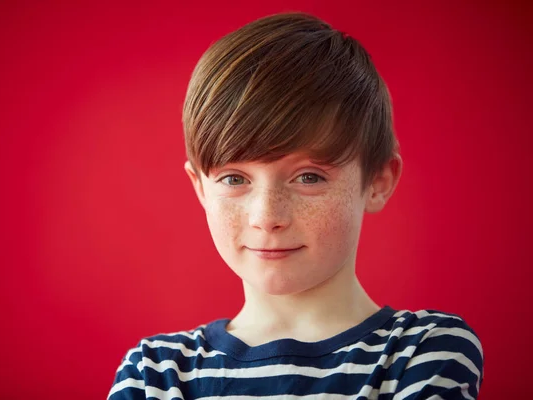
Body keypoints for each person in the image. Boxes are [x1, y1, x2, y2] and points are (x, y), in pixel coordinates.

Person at [108, 12, 484, 399]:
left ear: (377, 182)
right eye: (234, 179)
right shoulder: (155, 372)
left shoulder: (422, 353)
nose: (267, 217)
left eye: (309, 177)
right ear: (201, 188)